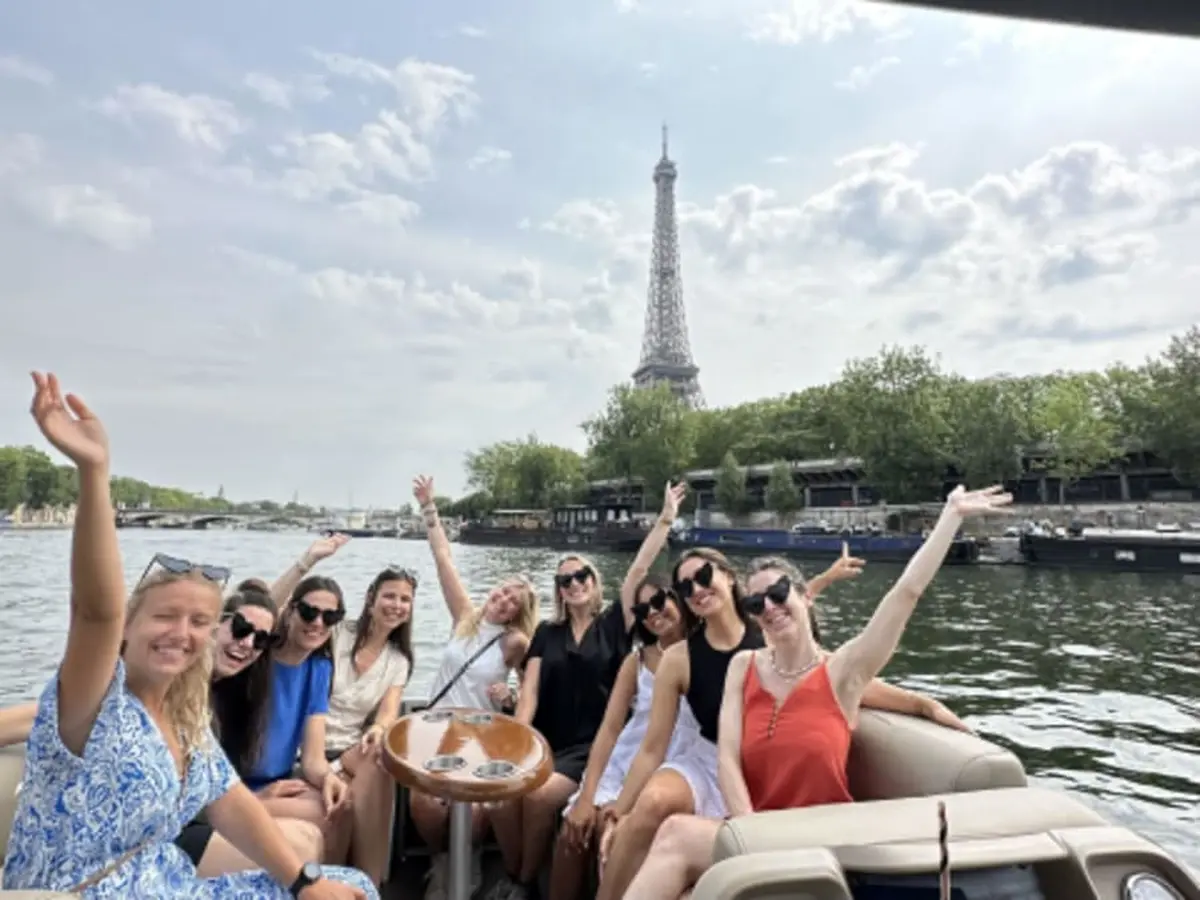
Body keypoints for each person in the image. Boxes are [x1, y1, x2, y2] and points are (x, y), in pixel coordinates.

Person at [2, 371, 376, 898]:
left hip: (167, 883)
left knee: (349, 884)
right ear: (127, 626)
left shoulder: (185, 716)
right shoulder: (94, 697)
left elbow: (231, 801)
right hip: (84, 891)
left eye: (200, 622)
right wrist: (94, 472)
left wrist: (304, 881)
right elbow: (94, 612)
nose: (182, 633)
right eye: (164, 616)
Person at [620, 486, 1013, 900]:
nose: (768, 607)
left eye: (778, 593)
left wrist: (951, 516)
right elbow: (727, 757)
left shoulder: (844, 671)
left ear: (806, 596)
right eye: (756, 602)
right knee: (675, 833)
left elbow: (906, 593)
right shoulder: (745, 666)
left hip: (822, 837)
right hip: (760, 829)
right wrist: (748, 835)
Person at [0, 584, 328, 878]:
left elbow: (219, 787)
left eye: (262, 640)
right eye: (240, 629)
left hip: (179, 829)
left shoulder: (226, 696)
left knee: (315, 831)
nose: (248, 644)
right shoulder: (110, 698)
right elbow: (40, 714)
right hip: (157, 839)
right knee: (303, 840)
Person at [412, 476, 540, 900]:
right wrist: (430, 508)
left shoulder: (514, 642)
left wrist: (511, 698)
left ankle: (467, 862)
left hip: (482, 733)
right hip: (437, 725)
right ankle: (442, 860)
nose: (502, 602)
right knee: (425, 805)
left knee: (480, 811)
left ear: (519, 615)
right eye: (502, 593)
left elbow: (532, 687)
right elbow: (444, 559)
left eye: (512, 604)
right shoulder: (464, 617)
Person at [240, 575, 355, 866]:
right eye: (308, 612)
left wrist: (329, 778)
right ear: (289, 611)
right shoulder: (255, 655)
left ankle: (340, 886)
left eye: (330, 617)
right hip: (238, 788)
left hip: (279, 780)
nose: (318, 623)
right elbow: (252, 613)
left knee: (342, 806)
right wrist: (307, 561)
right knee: (321, 817)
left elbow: (313, 760)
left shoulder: (319, 668)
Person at [324, 565, 417, 884]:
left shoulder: (398, 660)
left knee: (381, 753)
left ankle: (368, 884)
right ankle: (366, 882)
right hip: (308, 745)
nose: (397, 604)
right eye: (389, 596)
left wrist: (378, 729)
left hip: (348, 748)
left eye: (405, 599)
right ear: (370, 599)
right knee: (367, 778)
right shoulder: (336, 634)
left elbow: (389, 711)